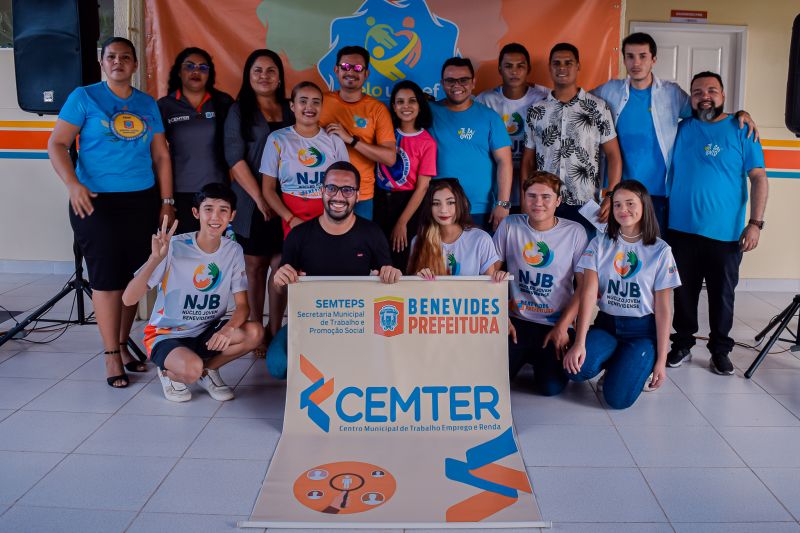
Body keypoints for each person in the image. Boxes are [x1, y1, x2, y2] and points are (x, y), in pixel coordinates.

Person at [47, 37, 173, 388]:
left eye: (125, 57)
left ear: (135, 65)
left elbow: (161, 155)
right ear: (102, 63)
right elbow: (57, 143)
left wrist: (167, 200)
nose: (118, 62)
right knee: (105, 278)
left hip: (141, 201)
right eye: (112, 57)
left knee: (135, 277)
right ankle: (110, 355)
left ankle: (122, 343)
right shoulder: (84, 97)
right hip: (94, 201)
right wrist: (72, 184)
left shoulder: (147, 103)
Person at [592, 33, 758, 235]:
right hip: (620, 193)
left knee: (655, 250)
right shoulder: (610, 90)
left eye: (643, 56)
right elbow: (581, 102)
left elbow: (704, 110)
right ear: (624, 59)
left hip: (659, 194)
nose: (636, 63)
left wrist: (738, 115)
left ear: (653, 59)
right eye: (630, 56)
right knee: (617, 249)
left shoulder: (671, 93)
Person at [666, 71, 768, 375]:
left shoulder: (741, 129)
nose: (705, 96)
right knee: (683, 292)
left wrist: (756, 223)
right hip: (681, 229)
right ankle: (682, 343)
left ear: (723, 95)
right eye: (697, 92)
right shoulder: (680, 129)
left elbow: (759, 178)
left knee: (722, 295)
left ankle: (720, 350)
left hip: (726, 234)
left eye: (712, 90)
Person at [122, 184, 263, 402]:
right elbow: (128, 298)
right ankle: (169, 372)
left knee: (254, 332)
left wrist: (227, 330)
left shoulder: (233, 250)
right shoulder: (174, 246)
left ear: (232, 216)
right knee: (191, 370)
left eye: (223, 210)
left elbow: (243, 306)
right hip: (167, 334)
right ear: (196, 213)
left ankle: (208, 371)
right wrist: (154, 259)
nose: (215, 217)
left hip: (205, 330)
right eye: (208, 209)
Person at [267, 161, 402, 378]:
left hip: (359, 324)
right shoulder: (299, 235)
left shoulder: (372, 234)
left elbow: (388, 283)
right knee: (277, 364)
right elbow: (282, 288)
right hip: (311, 323)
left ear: (357, 195)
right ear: (322, 191)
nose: (338, 196)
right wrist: (279, 281)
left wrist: (392, 276)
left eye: (347, 190)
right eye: (332, 188)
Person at [563, 180, 681, 409]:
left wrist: (662, 360)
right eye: (617, 204)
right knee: (575, 370)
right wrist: (579, 342)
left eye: (630, 203)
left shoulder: (661, 250)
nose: (623, 209)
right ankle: (617, 360)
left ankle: (634, 364)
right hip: (607, 325)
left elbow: (664, 310)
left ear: (644, 206)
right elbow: (588, 293)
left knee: (617, 400)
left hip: (641, 332)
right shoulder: (599, 243)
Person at [224, 49, 294, 356]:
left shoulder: (291, 108)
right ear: (248, 76)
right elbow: (234, 158)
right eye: (257, 70)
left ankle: (275, 330)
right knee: (254, 266)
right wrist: (260, 197)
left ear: (279, 77)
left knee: (281, 264)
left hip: (288, 200)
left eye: (270, 70)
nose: (264, 76)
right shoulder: (240, 110)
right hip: (252, 202)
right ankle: (256, 329)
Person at [493, 171, 588, 396]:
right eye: (532, 196)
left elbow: (584, 287)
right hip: (517, 320)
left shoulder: (574, 232)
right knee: (495, 378)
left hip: (554, 322)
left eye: (546, 197)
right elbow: (490, 273)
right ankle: (524, 354)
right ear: (523, 198)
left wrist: (563, 326)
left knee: (549, 388)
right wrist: (501, 317)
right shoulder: (509, 225)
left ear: (558, 201)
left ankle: (539, 357)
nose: (538, 203)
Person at [521, 43, 621, 235]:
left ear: (578, 66)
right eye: (556, 63)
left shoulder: (598, 108)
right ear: (550, 67)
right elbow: (527, 161)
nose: (562, 68)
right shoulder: (536, 110)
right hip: (544, 203)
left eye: (568, 63)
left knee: (585, 253)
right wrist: (525, 197)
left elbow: (613, 155)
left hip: (586, 204)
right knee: (545, 253)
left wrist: (611, 195)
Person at [429, 57, 513, 231]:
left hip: (480, 209)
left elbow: (504, 161)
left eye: (463, 80)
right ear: (442, 83)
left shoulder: (490, 117)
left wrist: (503, 204)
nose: (457, 85)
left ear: (473, 82)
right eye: (450, 80)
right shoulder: (428, 112)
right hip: (439, 209)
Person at [158, 47, 234, 234]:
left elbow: (236, 149)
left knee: (215, 248)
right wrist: (166, 201)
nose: (196, 71)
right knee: (182, 248)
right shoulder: (165, 106)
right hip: (179, 193)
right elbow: (157, 154)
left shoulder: (224, 102)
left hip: (218, 192)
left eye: (203, 67)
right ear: (179, 72)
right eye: (189, 66)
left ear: (210, 73)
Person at [260, 81, 349, 237]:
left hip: (330, 219)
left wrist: (334, 218)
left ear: (322, 107)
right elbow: (268, 189)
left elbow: (347, 184)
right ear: (292, 106)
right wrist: (291, 219)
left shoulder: (334, 140)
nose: (310, 107)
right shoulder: (277, 139)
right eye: (303, 101)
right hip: (292, 220)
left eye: (316, 102)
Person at [320, 45, 396, 220]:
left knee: (358, 238)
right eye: (345, 66)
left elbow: (390, 158)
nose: (351, 72)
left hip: (360, 195)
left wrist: (351, 140)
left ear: (366, 73)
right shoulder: (319, 101)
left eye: (358, 68)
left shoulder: (377, 109)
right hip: (321, 190)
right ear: (336, 70)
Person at [476, 43, 549, 210]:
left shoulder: (543, 99)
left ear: (528, 69)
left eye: (520, 66)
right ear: (500, 69)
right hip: (495, 192)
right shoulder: (485, 100)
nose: (514, 71)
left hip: (535, 191)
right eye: (508, 66)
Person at [375, 80, 436, 271]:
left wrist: (402, 222)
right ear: (393, 106)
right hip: (379, 199)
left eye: (412, 101)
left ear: (420, 105)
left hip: (407, 204)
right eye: (400, 102)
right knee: (377, 258)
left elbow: (422, 187)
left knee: (400, 258)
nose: (406, 106)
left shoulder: (427, 142)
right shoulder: (385, 133)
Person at [407, 179, 501, 278]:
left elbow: (490, 284)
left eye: (450, 202)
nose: (443, 210)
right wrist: (419, 277)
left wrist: (499, 276)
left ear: (461, 203)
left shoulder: (481, 239)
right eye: (436, 203)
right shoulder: (418, 240)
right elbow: (411, 284)